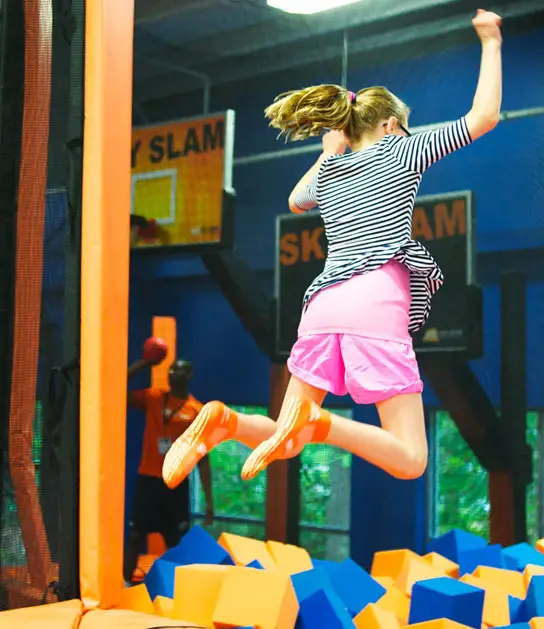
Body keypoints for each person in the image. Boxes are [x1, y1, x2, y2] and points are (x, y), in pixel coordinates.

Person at [161, 9, 503, 490]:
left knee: (287, 433)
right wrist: (490, 42)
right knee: (410, 459)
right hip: (374, 305)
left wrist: (329, 150)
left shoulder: (330, 170)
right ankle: (326, 424)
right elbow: (483, 116)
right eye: (405, 128)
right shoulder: (400, 149)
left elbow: (296, 201)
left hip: (322, 308)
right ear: (388, 126)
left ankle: (226, 423)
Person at [124, 353, 214, 582]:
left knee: (175, 540)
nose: (174, 374)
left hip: (175, 483)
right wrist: (144, 362)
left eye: (180, 370)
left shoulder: (196, 411)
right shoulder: (154, 397)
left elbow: (203, 459)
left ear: (190, 376)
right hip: (148, 479)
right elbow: (118, 391)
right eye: (171, 370)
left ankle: (176, 587)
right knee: (136, 534)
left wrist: (209, 501)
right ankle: (125, 582)